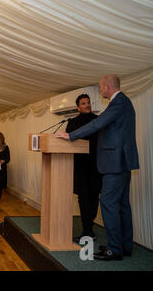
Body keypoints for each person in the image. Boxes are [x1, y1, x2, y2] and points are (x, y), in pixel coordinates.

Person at [56, 74, 139, 261]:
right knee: (122, 205)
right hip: (122, 162)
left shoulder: (118, 103)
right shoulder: (124, 103)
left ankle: (114, 249)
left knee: (108, 203)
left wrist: (70, 136)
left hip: (114, 163)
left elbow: (97, 123)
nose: (101, 91)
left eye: (101, 88)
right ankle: (124, 246)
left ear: (108, 87)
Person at [65, 94, 102, 242]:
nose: (87, 105)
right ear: (78, 107)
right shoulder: (72, 122)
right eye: (83, 103)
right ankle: (87, 229)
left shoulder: (98, 120)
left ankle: (89, 228)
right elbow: (67, 141)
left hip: (96, 165)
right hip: (80, 166)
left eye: (88, 103)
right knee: (83, 198)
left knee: (94, 197)